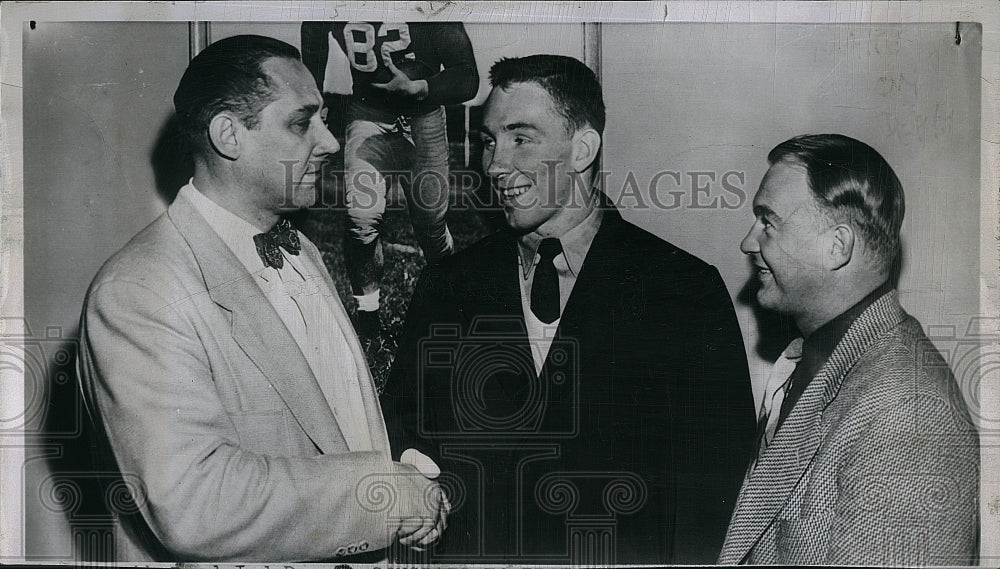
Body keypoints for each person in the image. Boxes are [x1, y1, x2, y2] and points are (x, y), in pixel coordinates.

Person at [77, 35, 448, 562]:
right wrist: (387, 493)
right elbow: (194, 505)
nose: (331, 142)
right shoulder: (138, 291)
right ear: (229, 134)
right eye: (302, 123)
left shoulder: (301, 248)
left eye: (322, 119)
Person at [381, 54, 756, 564]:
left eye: (521, 138)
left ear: (582, 149)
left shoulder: (684, 292)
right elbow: (402, 434)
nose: (494, 165)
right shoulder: (447, 285)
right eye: (490, 141)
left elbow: (714, 497)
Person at [719, 134, 979, 565]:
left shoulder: (910, 417)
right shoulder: (809, 362)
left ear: (836, 246)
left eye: (768, 222)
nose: (749, 242)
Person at [301, 21, 479, 346]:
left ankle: (451, 303)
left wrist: (422, 87)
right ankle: (368, 318)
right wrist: (311, 101)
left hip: (423, 114)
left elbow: (468, 77)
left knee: (431, 225)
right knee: (361, 217)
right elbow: (313, 31)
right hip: (368, 113)